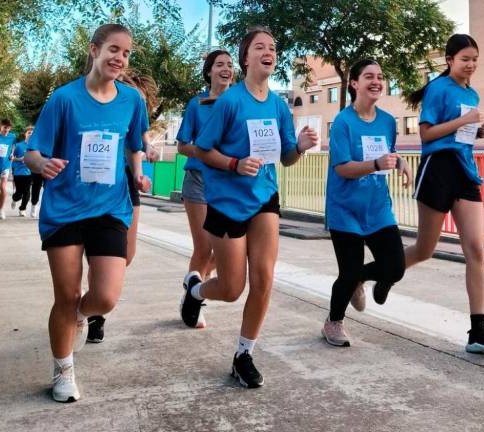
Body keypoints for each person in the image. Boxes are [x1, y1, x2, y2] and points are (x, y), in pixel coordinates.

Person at [180, 27, 318, 388]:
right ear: (247, 59)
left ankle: (244, 354)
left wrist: (300, 146)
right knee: (231, 288)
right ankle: (195, 291)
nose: (268, 51)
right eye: (260, 47)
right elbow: (203, 151)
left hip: (264, 198)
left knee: (264, 279)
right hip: (227, 201)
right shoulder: (229, 102)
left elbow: (285, 159)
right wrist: (234, 164)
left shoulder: (278, 106)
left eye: (272, 47)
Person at [24, 23, 149, 403]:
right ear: (94, 50)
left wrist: (140, 173)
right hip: (64, 209)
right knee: (65, 295)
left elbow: (134, 146)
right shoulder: (63, 99)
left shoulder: (132, 100)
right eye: (114, 49)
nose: (120, 58)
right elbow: (32, 152)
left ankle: (79, 316)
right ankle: (63, 370)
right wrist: (41, 165)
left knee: (106, 297)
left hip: (110, 207)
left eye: (126, 53)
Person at [403, 34, 484, 354]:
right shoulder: (437, 89)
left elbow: (460, 133)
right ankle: (372, 274)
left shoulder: (472, 93)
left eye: (475, 59)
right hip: (437, 168)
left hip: (464, 171)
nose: (471, 65)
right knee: (424, 249)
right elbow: (427, 134)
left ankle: (478, 329)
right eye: (465, 59)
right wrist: (464, 121)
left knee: (476, 249)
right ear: (449, 60)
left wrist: (477, 132)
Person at [323, 59, 412, 347]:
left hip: (377, 209)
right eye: (368, 76)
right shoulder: (343, 122)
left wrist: (401, 162)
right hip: (345, 209)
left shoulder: (387, 121)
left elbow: (390, 152)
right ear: (354, 83)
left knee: (395, 267)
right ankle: (333, 322)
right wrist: (375, 164)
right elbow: (343, 168)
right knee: (347, 272)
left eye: (380, 77)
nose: (376, 81)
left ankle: (358, 281)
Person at [87, 72, 158, 344]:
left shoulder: (135, 112)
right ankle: (95, 316)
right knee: (102, 251)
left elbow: (142, 141)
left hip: (127, 183)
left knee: (126, 254)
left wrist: (142, 168)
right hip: (99, 182)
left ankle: (95, 295)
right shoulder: (100, 107)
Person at [176, 49, 234, 298]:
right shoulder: (196, 104)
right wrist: (205, 154)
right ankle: (192, 302)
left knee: (230, 252)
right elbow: (181, 146)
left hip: (230, 184)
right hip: (198, 181)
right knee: (204, 248)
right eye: (220, 64)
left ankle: (195, 287)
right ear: (209, 71)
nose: (226, 69)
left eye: (230, 65)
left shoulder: (238, 103)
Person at [10, 126, 34, 217]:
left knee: (27, 192)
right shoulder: (19, 145)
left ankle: (22, 208)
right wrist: (19, 159)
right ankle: (14, 199)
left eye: (32, 133)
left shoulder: (34, 146)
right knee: (19, 192)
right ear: (25, 134)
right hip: (18, 172)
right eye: (29, 133)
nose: (30, 134)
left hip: (29, 172)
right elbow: (12, 158)